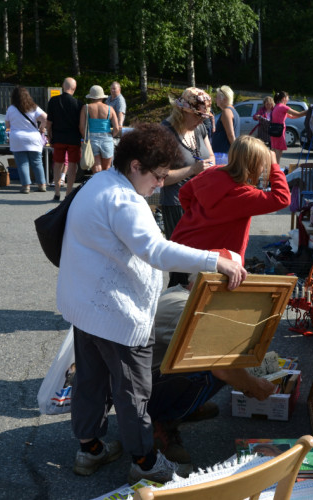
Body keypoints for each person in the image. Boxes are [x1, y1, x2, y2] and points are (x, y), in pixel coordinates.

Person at [56, 123, 247, 485]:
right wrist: (214, 260)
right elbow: (156, 251)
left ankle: (90, 448)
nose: (161, 184)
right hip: (116, 315)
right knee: (133, 393)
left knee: (91, 382)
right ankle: (145, 461)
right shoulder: (126, 200)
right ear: (136, 166)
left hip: (86, 306)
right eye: (158, 176)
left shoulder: (98, 183)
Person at [147, 266, 278, 464]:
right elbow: (221, 364)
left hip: (148, 379)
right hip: (141, 392)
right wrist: (252, 385)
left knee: (228, 363)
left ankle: (184, 407)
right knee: (213, 368)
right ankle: (160, 422)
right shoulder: (182, 307)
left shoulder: (184, 294)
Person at [169, 135, 291, 285]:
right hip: (209, 261)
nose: (263, 169)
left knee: (175, 300)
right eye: (262, 165)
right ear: (253, 164)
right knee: (198, 306)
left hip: (180, 251)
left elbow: (184, 194)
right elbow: (282, 198)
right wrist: (275, 167)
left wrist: (200, 217)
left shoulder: (212, 173)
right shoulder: (243, 194)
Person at [160, 87, 215, 240]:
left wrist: (209, 165)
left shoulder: (199, 128)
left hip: (201, 200)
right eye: (198, 116)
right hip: (177, 205)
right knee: (181, 256)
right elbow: (160, 178)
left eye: (203, 117)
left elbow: (210, 155)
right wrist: (192, 169)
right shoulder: (165, 132)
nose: (201, 121)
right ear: (183, 111)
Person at [5, 86, 48, 194]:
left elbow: (7, 125)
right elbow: (45, 118)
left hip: (17, 138)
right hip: (33, 137)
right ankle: (42, 184)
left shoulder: (11, 109)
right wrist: (41, 128)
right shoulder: (33, 107)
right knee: (37, 162)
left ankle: (26, 186)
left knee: (22, 163)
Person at [46, 77, 82, 201]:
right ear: (74, 88)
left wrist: (49, 136)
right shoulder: (78, 103)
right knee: (72, 165)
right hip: (73, 139)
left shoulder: (53, 101)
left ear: (62, 86)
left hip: (58, 138)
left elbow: (49, 122)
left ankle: (56, 192)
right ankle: (68, 193)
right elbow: (81, 125)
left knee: (57, 165)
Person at [79, 85, 120, 173]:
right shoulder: (110, 109)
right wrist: (111, 136)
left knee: (96, 170)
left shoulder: (86, 108)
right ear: (102, 97)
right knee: (107, 168)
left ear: (91, 97)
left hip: (92, 139)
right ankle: (104, 186)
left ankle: (97, 185)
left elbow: (82, 127)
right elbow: (117, 127)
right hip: (107, 139)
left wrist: (86, 138)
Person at [270, 91, 307, 164]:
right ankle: (276, 169)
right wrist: (309, 111)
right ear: (284, 98)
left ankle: (272, 168)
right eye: (287, 98)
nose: (288, 99)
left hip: (274, 131)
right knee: (278, 151)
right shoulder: (283, 107)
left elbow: (292, 117)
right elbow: (297, 113)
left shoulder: (276, 106)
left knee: (274, 150)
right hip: (279, 131)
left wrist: (303, 114)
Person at [210, 85, 239, 154]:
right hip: (225, 152)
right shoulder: (233, 111)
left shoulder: (227, 112)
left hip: (223, 153)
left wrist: (236, 152)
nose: (215, 99)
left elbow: (230, 135)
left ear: (224, 99)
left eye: (217, 97)